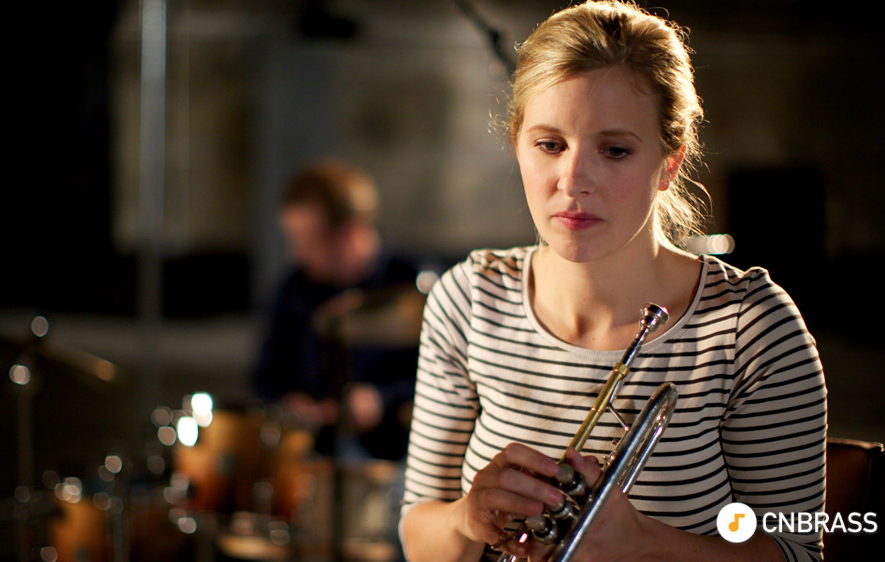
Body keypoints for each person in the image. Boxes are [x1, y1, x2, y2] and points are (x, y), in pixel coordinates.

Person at [399, 2, 826, 561]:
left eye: (615, 150)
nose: (573, 180)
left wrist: (643, 543)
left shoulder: (751, 329)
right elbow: (418, 537)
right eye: (550, 144)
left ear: (670, 163)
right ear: (517, 142)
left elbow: (798, 554)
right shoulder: (468, 300)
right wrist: (464, 519)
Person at [253, 158, 419, 461]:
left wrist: (381, 399)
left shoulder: (413, 282)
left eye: (308, 241)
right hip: (313, 457)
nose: (297, 254)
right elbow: (265, 377)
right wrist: (290, 402)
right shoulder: (293, 289)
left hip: (396, 457)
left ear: (350, 234)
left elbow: (452, 383)